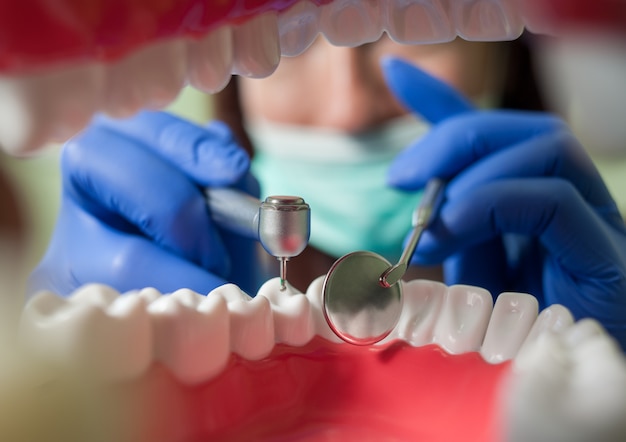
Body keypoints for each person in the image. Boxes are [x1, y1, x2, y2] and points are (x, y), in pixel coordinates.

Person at [28, 35, 626, 349]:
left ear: (511, 52)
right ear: (233, 77)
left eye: (408, 21)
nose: (347, 110)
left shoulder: (594, 287)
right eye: (290, 39)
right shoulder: (150, 283)